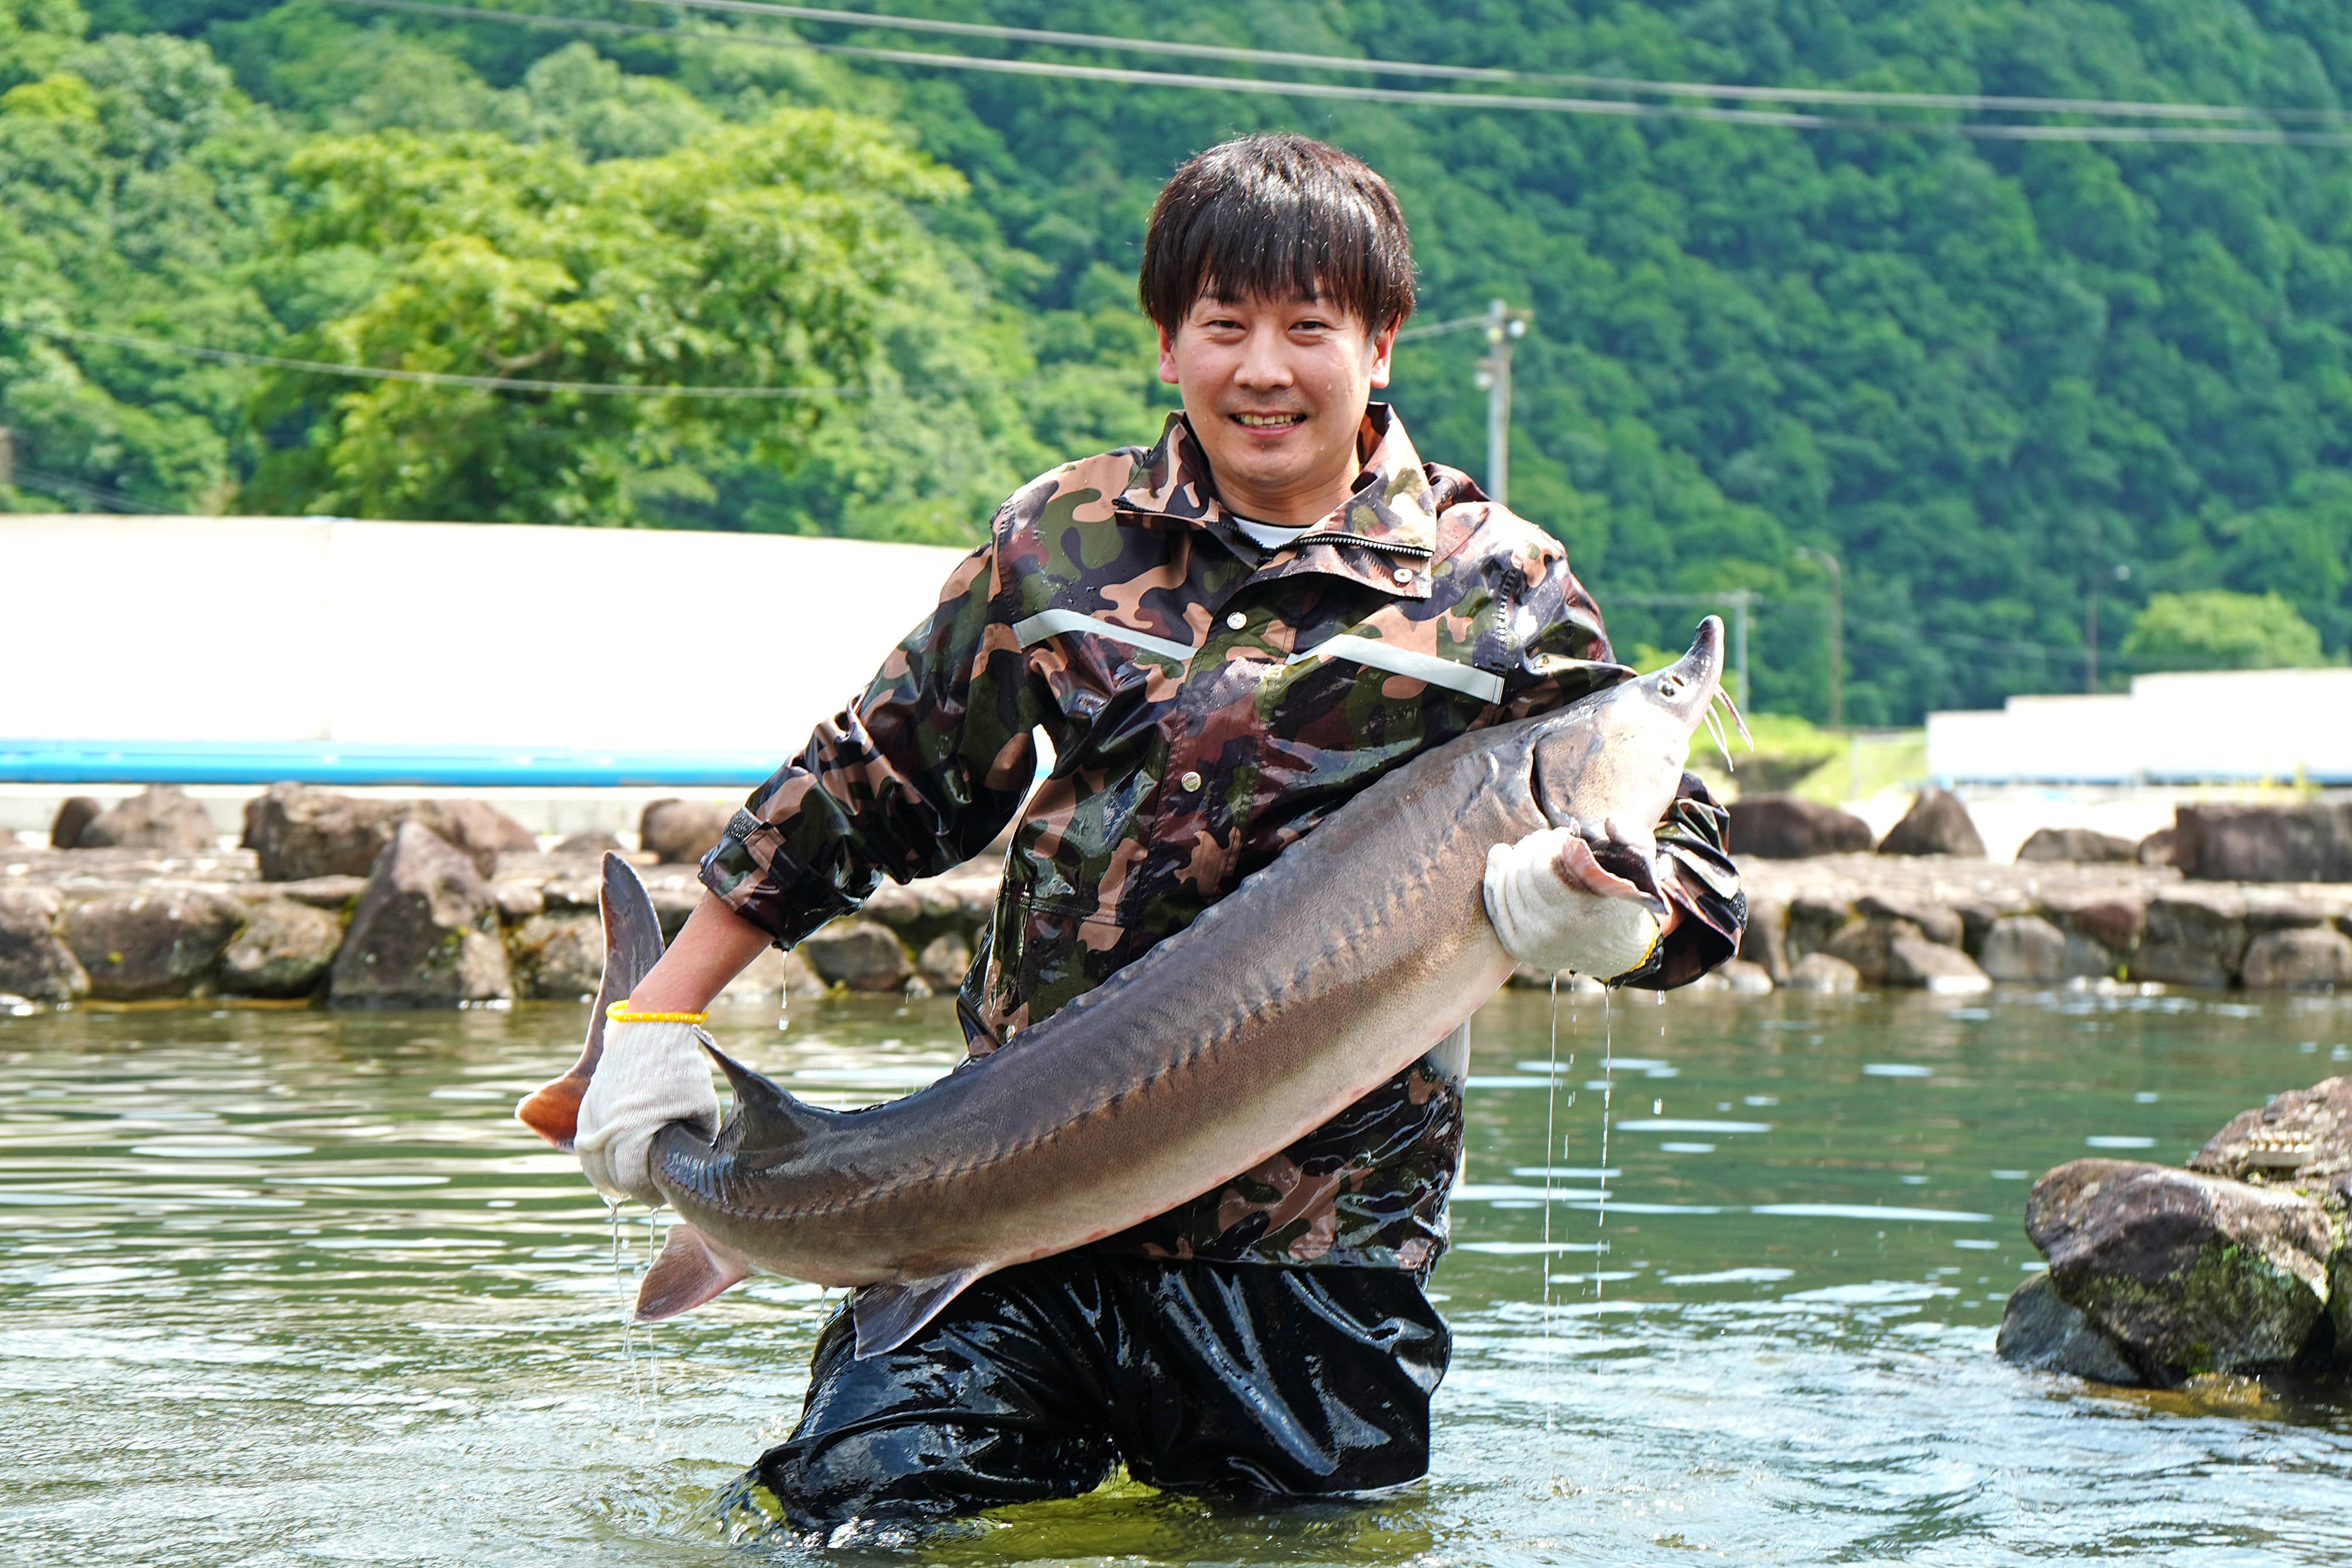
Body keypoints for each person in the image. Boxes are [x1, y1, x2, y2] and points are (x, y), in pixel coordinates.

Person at [573, 133, 1743, 1539]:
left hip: (1316, 1255)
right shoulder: (1064, 537)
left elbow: (1702, 900)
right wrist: (653, 1022)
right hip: (998, 1201)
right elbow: (863, 784)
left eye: (1311, 326)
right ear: (1167, 342)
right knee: (851, 1514)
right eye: (1225, 325)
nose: (1266, 368)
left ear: (1381, 346)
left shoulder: (1504, 586)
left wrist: (1620, 913)